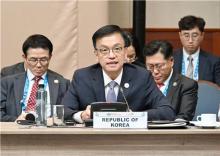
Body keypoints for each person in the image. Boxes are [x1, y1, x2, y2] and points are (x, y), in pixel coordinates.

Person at [62, 25, 175, 123]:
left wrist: (133, 117)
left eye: (117, 49)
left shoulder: (142, 77)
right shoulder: (82, 77)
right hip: (92, 142)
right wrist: (82, 115)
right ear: (96, 53)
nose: (111, 56)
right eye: (104, 50)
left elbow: (167, 111)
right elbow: (64, 111)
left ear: (125, 51)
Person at [0, 34, 70, 122]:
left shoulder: (63, 83)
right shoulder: (7, 82)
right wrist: (16, 120)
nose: (38, 65)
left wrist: (54, 120)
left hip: (49, 131)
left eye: (43, 60)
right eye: (33, 60)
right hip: (18, 130)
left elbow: (69, 112)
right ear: (24, 58)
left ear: (50, 57)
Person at [143, 40, 198, 121]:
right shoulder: (141, 83)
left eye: (159, 66)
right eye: (150, 66)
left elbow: (184, 116)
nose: (155, 71)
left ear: (171, 61)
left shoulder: (187, 85)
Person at [173, 15, 220, 86]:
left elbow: (217, 91)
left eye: (195, 35)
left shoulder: (214, 62)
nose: (190, 40)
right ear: (180, 35)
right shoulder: (169, 59)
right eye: (186, 35)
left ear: (202, 35)